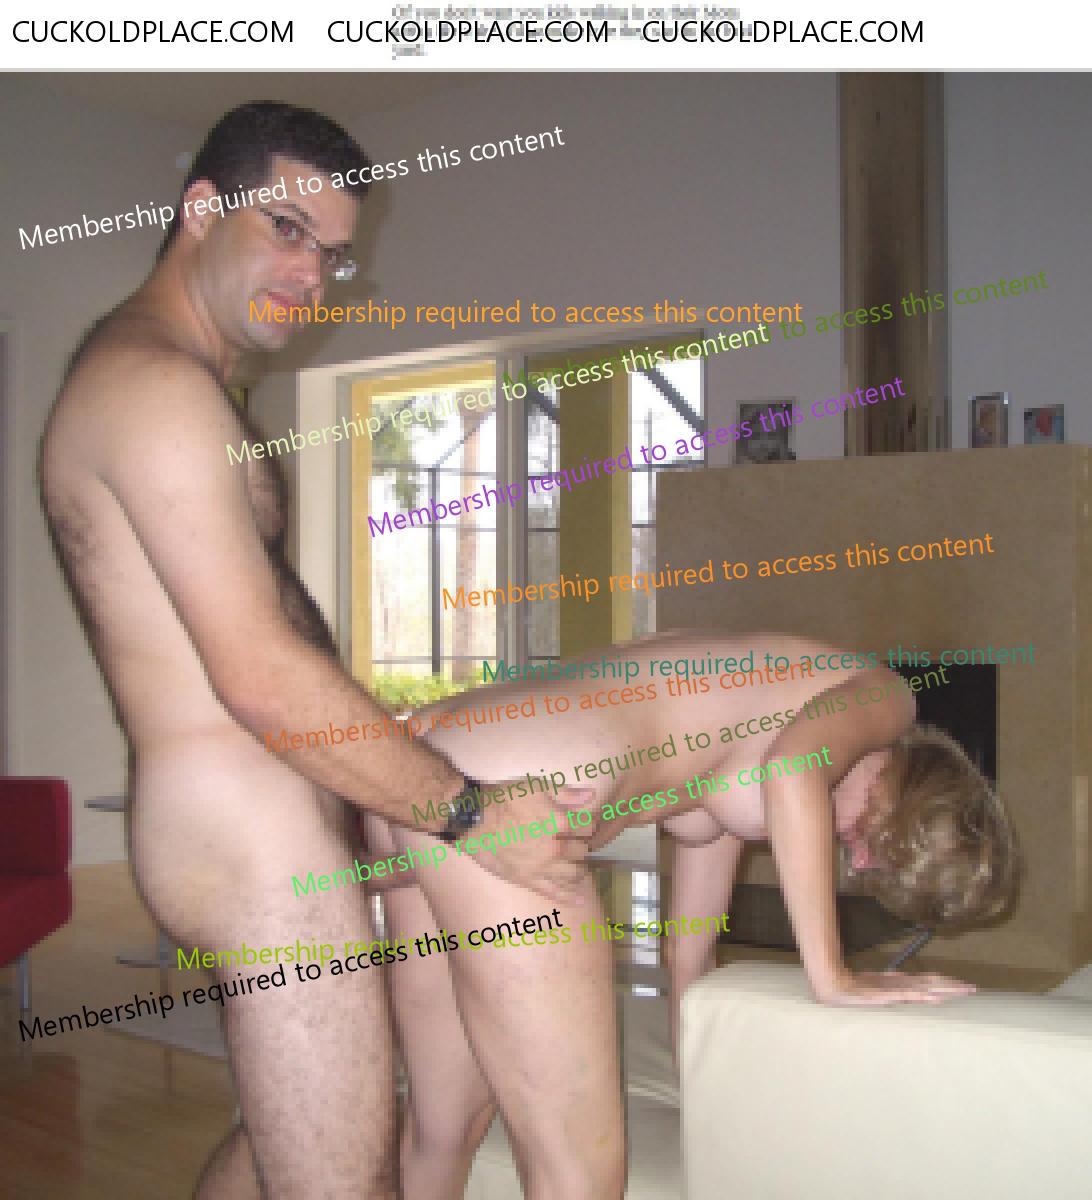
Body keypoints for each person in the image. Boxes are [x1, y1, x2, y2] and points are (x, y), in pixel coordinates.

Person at [38, 101, 588, 1200]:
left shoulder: (173, 379)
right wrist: (473, 812)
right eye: (287, 229)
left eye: (332, 254)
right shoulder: (156, 389)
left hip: (259, 833)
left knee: (290, 1148)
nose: (311, 275)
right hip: (249, 850)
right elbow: (258, 677)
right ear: (203, 208)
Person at [362, 629, 1017, 1199]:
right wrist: (833, 975)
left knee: (443, 1131)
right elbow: (792, 773)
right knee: (581, 1177)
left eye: (869, 865)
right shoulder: (887, 695)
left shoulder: (755, 713)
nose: (861, 861)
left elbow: (688, 957)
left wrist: (700, 1096)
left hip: (425, 769)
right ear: (908, 789)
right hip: (506, 797)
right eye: (879, 843)